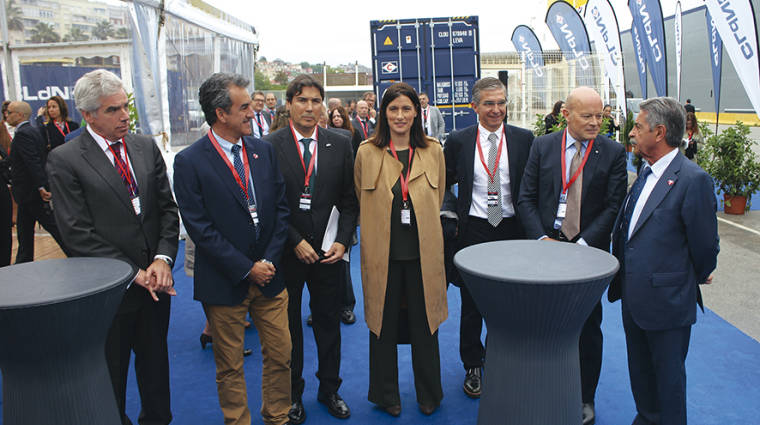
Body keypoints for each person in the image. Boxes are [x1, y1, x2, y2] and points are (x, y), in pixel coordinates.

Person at [46, 69, 179, 425]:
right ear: (88, 114)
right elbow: (77, 233)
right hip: (108, 292)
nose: (124, 116)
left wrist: (163, 259)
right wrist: (133, 273)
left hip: (156, 284)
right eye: (113, 110)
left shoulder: (144, 146)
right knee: (112, 372)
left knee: (155, 368)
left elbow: (167, 209)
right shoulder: (66, 159)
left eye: (125, 107)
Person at [173, 72, 291, 425]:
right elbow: (200, 228)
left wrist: (267, 260)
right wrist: (245, 267)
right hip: (225, 283)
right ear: (220, 114)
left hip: (270, 277)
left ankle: (278, 416)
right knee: (230, 366)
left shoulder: (263, 151)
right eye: (243, 108)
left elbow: (280, 210)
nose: (252, 113)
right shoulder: (190, 161)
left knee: (281, 354)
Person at [518, 86, 627, 425]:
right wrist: (541, 238)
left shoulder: (612, 152)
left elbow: (613, 206)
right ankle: (544, 388)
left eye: (600, 115)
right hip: (545, 250)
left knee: (587, 327)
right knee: (542, 323)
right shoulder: (543, 146)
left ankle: (584, 398)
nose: (596, 122)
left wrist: (583, 244)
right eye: (587, 116)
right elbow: (526, 197)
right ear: (566, 114)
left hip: (588, 255)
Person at [610, 96, 719, 425]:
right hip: (635, 298)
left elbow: (705, 247)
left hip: (668, 303)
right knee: (642, 378)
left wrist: (687, 278)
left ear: (659, 133)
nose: (632, 132)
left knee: (668, 385)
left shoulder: (692, 179)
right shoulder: (645, 172)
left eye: (638, 127)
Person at [264, 74, 358, 423]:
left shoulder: (341, 142)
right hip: (288, 254)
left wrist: (342, 241)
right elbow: (270, 205)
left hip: (330, 253)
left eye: (315, 101)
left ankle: (330, 389)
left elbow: (350, 201)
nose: (309, 107)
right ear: (288, 105)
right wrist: (296, 241)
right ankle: (293, 393)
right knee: (288, 329)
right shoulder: (269, 146)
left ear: (323, 105)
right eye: (301, 100)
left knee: (328, 324)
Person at [354, 82, 447, 417]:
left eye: (406, 108)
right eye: (393, 109)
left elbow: (437, 199)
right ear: (384, 114)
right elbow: (360, 196)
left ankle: (429, 393)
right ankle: (385, 394)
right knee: (382, 327)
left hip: (424, 258)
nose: (400, 115)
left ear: (416, 113)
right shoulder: (367, 151)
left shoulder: (434, 150)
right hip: (383, 259)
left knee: (426, 327)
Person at [443, 77, 534, 399]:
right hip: (475, 229)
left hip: (512, 229)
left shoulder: (525, 139)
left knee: (511, 301)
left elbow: (532, 186)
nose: (496, 110)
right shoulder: (458, 140)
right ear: (474, 106)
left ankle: (504, 358)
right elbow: (445, 182)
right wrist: (449, 216)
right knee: (473, 302)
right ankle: (473, 363)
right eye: (489, 104)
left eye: (501, 103)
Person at [7, 100, 67, 263]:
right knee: (24, 232)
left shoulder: (24, 134)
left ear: (20, 115)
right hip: (27, 194)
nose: (7, 115)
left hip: (31, 192)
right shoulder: (32, 131)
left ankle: (78, 254)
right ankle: (22, 263)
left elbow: (32, 161)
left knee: (53, 227)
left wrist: (41, 185)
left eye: (10, 112)